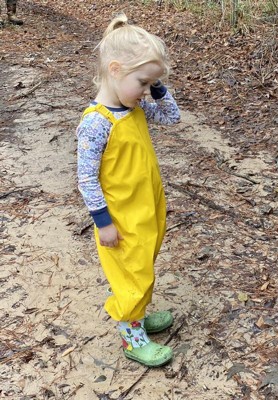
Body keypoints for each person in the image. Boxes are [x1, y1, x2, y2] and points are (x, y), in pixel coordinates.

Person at [76, 13, 180, 367]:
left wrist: (158, 87)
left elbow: (172, 117)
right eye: (143, 82)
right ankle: (132, 336)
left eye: (151, 84)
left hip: (146, 210)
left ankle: (137, 312)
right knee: (131, 275)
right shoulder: (96, 122)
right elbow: (86, 177)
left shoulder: (135, 106)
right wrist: (102, 221)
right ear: (116, 69)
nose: (147, 91)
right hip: (120, 220)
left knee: (143, 268)